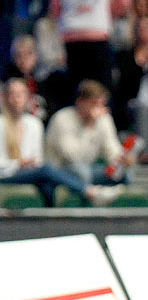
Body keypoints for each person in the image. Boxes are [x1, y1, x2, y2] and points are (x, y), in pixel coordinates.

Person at [0, 78, 117, 206]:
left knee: (47, 185)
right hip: (6, 174)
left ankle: (50, 222)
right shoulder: (1, 124)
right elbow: (73, 158)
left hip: (30, 173)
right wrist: (18, 164)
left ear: (28, 97)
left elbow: (37, 158)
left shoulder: (34, 124)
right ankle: (91, 192)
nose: (17, 99)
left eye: (21, 94)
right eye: (12, 94)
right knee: (53, 171)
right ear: (4, 97)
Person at [45, 79, 130, 188]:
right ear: (80, 102)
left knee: (124, 174)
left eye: (102, 104)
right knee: (81, 172)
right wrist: (90, 126)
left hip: (89, 169)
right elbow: (74, 157)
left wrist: (121, 160)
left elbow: (111, 148)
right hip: (60, 171)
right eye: (94, 103)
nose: (99, 109)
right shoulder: (62, 119)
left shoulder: (103, 119)